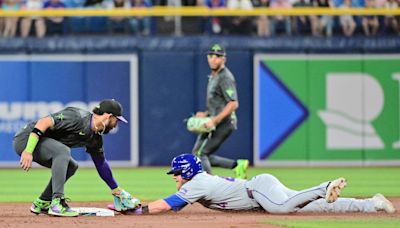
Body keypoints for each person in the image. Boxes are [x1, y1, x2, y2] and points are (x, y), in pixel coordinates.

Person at [111, 153, 396, 215]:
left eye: (176, 172)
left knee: (282, 209)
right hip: (258, 189)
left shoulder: (196, 183)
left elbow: (166, 205)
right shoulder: (196, 182)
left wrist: (139, 211)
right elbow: (174, 206)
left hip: (257, 190)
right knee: (321, 208)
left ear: (186, 172)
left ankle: (324, 186)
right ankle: (372, 203)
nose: (174, 176)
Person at [13, 99, 140, 217]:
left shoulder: (95, 138)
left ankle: (43, 201)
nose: (116, 125)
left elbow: (101, 164)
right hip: (26, 140)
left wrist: (116, 189)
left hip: (42, 144)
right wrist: (28, 150)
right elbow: (44, 122)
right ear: (108, 116)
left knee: (72, 166)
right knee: (62, 151)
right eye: (116, 120)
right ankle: (57, 203)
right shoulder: (77, 117)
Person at [192, 44, 249, 179]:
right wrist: (206, 114)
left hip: (224, 122)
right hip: (214, 120)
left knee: (200, 154)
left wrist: (214, 120)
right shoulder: (214, 76)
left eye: (218, 56)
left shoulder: (225, 77)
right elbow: (218, 102)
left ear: (224, 59)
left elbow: (233, 103)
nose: (213, 59)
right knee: (198, 154)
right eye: (211, 56)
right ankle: (236, 165)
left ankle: (209, 185)